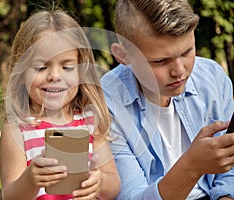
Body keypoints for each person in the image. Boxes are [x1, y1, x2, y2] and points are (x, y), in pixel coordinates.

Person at [100, 0, 234, 199]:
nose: (179, 71)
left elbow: (230, 169)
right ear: (123, 55)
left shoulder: (212, 77)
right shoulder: (106, 101)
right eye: (160, 61)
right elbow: (130, 196)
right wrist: (192, 166)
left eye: (187, 52)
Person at [0, 9, 120, 200]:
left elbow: (114, 185)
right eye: (41, 67)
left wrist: (101, 182)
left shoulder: (90, 122)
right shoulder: (16, 128)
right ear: (21, 73)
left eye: (67, 67)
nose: (55, 76)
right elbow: (10, 196)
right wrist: (30, 180)